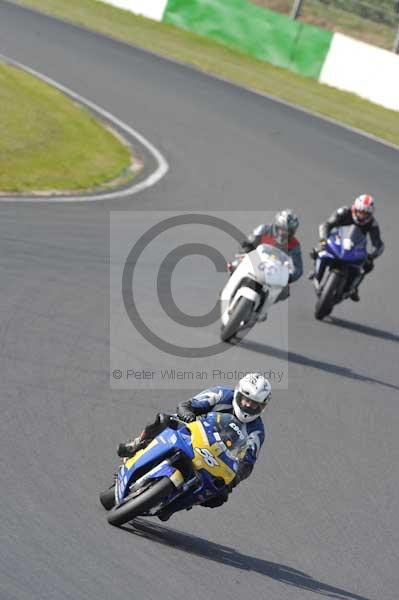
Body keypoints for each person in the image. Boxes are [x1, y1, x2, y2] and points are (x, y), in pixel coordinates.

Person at [117, 373, 271, 520]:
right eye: (245, 399)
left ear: (262, 407)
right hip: (192, 432)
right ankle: (137, 443)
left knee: (219, 497)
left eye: (254, 404)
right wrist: (187, 413)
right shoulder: (221, 394)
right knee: (164, 420)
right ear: (238, 393)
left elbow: (248, 462)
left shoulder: (257, 430)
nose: (248, 405)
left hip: (216, 458)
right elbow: (188, 404)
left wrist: (233, 481)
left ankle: (175, 504)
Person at [314, 194, 384, 301]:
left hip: (355, 247)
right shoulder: (344, 212)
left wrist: (372, 256)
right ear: (355, 208)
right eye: (360, 211)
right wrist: (323, 241)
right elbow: (326, 225)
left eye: (365, 213)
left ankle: (354, 287)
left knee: (368, 266)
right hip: (337, 240)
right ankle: (316, 271)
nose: (362, 215)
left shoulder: (372, 223)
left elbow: (378, 244)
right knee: (318, 250)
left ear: (370, 214)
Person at [236, 209, 303, 301]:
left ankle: (262, 310)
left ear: (293, 232)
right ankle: (228, 291)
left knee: (284, 292)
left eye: (288, 231)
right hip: (255, 261)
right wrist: (246, 250)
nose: (284, 233)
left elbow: (298, 268)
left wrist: (290, 277)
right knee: (234, 265)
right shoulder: (264, 229)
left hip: (275, 270)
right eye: (282, 229)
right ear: (277, 226)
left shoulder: (294, 245)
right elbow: (249, 241)